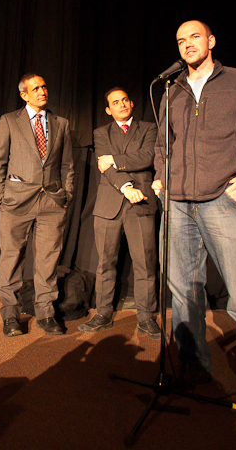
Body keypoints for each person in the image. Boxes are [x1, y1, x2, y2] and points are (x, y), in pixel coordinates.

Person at [151, 20, 236, 416]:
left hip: (223, 203)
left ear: (210, 41)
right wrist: (162, 179)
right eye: (180, 40)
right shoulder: (170, 90)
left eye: (194, 36)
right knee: (183, 293)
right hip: (177, 204)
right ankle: (194, 366)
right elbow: (163, 144)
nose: (187, 44)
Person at [0, 73, 75, 336]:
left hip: (51, 201)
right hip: (16, 202)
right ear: (24, 94)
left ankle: (46, 313)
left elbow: (67, 165)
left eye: (44, 87)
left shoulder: (60, 123)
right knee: (12, 259)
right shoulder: (9, 121)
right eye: (35, 88)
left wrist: (66, 194)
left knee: (48, 261)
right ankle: (10, 316)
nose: (42, 91)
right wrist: (0, 198)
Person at [79, 88, 161, 339]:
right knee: (105, 263)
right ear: (108, 109)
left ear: (132, 103)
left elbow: (147, 158)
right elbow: (104, 168)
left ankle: (146, 317)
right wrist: (127, 188)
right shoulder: (101, 132)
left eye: (125, 100)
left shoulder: (149, 128)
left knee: (145, 264)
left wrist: (113, 158)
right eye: (116, 102)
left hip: (142, 202)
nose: (122, 104)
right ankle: (103, 314)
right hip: (110, 204)